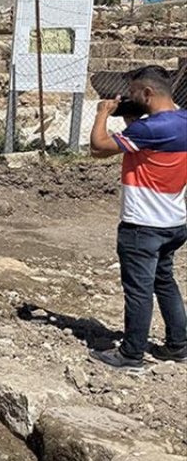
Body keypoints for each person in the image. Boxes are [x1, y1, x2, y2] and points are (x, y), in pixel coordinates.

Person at [88, 65, 187, 368]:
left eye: (133, 93)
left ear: (147, 93)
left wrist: (103, 112)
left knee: (139, 289)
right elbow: (151, 149)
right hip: (174, 222)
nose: (129, 98)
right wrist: (133, 119)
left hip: (142, 225)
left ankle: (131, 353)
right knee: (164, 281)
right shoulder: (181, 121)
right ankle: (178, 345)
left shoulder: (148, 129)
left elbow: (98, 148)